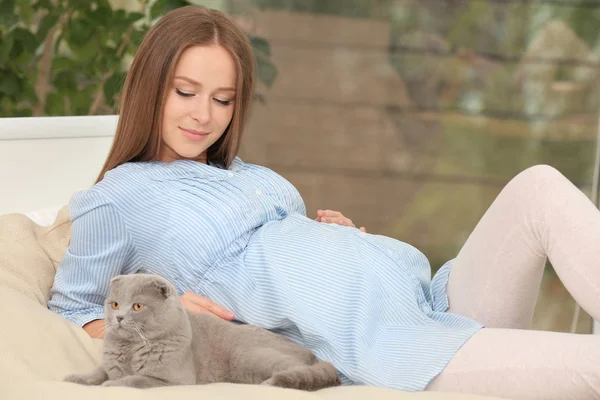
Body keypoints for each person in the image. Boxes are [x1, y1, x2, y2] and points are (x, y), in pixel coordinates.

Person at [47, 5, 600, 400]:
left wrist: (334, 238)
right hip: (389, 348)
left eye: (222, 100)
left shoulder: (244, 174)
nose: (203, 115)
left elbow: (288, 259)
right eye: (185, 92)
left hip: (431, 300)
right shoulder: (114, 199)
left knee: (538, 186)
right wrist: (171, 315)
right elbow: (70, 312)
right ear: (151, 86)